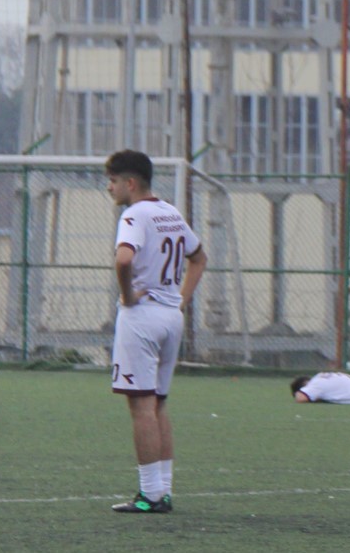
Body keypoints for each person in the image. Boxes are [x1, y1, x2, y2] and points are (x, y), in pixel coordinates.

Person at [105, 149, 208, 514]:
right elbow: (199, 257)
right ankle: (162, 490)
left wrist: (127, 295)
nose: (109, 188)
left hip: (143, 317)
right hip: (170, 317)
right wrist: (181, 299)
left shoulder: (134, 214)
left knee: (141, 407)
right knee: (158, 403)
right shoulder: (171, 212)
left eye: (113, 181)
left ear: (130, 183)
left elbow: (124, 258)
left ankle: (149, 496)